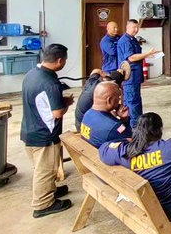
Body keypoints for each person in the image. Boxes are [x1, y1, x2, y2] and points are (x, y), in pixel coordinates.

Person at [21, 44, 74, 218]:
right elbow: (57, 113)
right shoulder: (51, 82)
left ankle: (50, 190)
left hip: (29, 129)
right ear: (60, 61)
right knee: (45, 170)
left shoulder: (31, 75)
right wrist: (65, 103)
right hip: (44, 135)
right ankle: (42, 204)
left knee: (41, 167)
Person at [117, 20, 158, 127]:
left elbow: (137, 55)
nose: (136, 30)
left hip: (135, 77)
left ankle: (136, 126)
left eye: (137, 28)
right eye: (133, 27)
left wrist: (147, 55)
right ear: (127, 27)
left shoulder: (132, 39)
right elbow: (131, 57)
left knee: (134, 102)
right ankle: (135, 130)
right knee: (132, 104)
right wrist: (147, 53)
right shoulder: (125, 41)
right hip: (130, 77)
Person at [79, 82, 132, 148]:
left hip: (90, 153)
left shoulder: (87, 114)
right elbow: (132, 139)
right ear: (109, 100)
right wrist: (125, 120)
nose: (119, 100)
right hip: (99, 157)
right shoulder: (113, 126)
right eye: (118, 97)